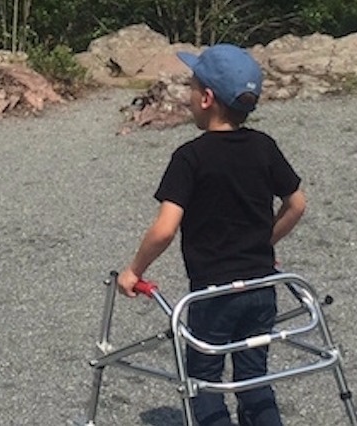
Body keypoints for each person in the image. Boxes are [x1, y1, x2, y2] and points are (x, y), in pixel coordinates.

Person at [115, 44, 307, 426]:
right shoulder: (263, 146)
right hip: (261, 287)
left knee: (204, 381)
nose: (187, 95)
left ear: (206, 99)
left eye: (192, 87)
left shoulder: (190, 157)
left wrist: (134, 270)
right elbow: (296, 204)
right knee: (255, 378)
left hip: (214, 294)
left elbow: (165, 228)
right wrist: (262, 245)